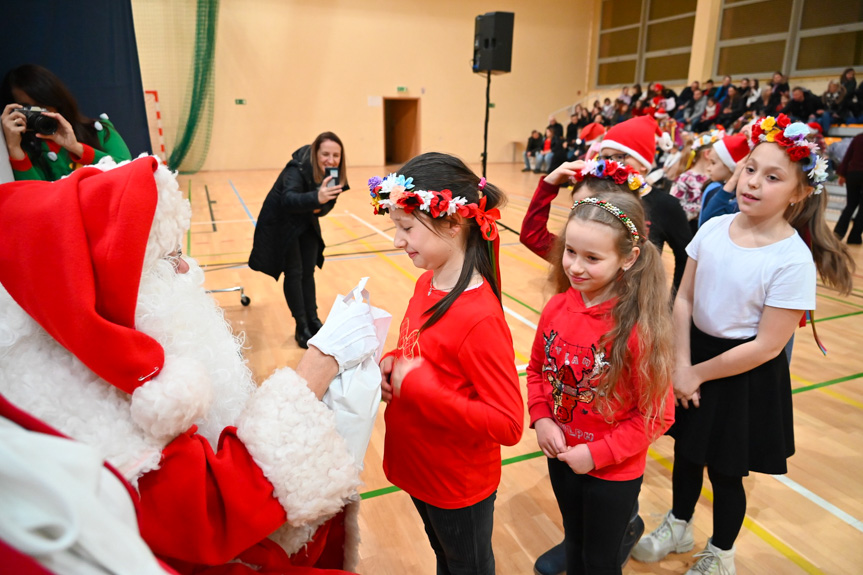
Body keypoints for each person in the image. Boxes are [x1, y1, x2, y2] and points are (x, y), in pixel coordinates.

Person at [0, 156, 381, 574]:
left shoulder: (71, 365)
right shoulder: (91, 418)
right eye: (169, 256)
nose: (185, 267)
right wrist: (318, 366)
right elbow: (215, 511)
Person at [632, 115, 854, 575]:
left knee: (727, 471)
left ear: (798, 193)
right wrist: (680, 363)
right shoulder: (714, 228)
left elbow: (768, 346)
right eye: (751, 168)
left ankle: (722, 552)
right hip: (694, 354)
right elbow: (685, 297)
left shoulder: (791, 258)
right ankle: (678, 524)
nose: (753, 182)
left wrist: (696, 374)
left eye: (772, 177)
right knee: (687, 454)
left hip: (742, 372)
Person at [370, 154, 524, 575]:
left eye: (406, 228)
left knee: (467, 566)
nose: (398, 241)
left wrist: (422, 387)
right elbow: (415, 349)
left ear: (454, 223)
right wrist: (391, 364)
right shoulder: (427, 281)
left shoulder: (480, 317)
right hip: (421, 467)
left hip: (456, 485)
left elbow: (509, 424)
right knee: (447, 560)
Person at [527, 166, 675, 575]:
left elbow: (657, 414)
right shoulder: (558, 306)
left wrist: (595, 454)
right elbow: (538, 370)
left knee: (599, 561)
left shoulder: (638, 330)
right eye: (570, 251)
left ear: (628, 258)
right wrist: (541, 419)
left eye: (592, 258)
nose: (574, 266)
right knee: (574, 544)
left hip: (612, 472)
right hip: (560, 455)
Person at [521, 115, 692, 292]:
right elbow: (534, 237)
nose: (610, 163)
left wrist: (675, 305)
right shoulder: (595, 196)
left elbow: (685, 259)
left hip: (632, 308)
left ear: (643, 163)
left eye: (619, 156)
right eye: (604, 157)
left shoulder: (665, 205)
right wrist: (548, 186)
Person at [249, 132, 349, 348]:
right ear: (315, 153)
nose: (331, 160)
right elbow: (288, 199)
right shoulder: (297, 167)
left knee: (308, 271)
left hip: (305, 221)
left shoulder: (333, 172)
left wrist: (318, 203)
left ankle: (313, 320)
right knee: (294, 272)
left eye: (336, 155)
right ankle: (301, 325)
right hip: (282, 224)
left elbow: (329, 204)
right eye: (325, 154)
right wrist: (316, 199)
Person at [0, 64, 131, 181]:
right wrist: (14, 148)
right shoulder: (23, 151)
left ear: (55, 99)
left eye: (42, 104)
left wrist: (76, 148)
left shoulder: (99, 131)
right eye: (27, 108)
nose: (38, 112)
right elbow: (31, 196)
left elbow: (130, 172)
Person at [698, 134, 749, 227]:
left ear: (730, 166)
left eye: (713, 163)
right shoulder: (714, 187)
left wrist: (733, 179)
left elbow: (708, 221)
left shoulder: (735, 198)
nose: (708, 168)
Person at [671, 133, 717, 234]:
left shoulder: (717, 179)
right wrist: (701, 208)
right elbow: (673, 212)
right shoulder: (685, 179)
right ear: (707, 153)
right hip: (688, 234)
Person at [834, 131, 863, 244]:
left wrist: (842, 174)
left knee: (850, 205)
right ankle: (854, 238)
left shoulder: (858, 138)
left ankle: (837, 234)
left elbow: (847, 156)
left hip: (853, 174)